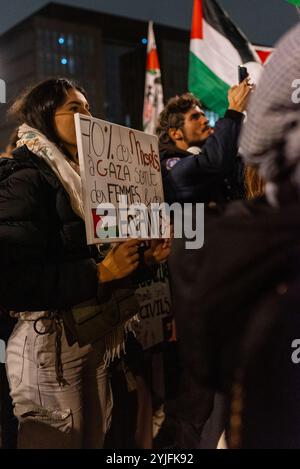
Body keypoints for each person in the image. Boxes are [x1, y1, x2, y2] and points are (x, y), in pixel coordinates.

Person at [0, 78, 170, 449]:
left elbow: (100, 259)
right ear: (45, 116)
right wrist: (100, 273)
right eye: (74, 108)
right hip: (49, 348)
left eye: (89, 107)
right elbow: (10, 278)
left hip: (90, 337)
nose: (87, 116)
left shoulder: (84, 181)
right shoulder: (25, 180)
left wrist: (143, 261)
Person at [170, 22, 300, 448]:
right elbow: (220, 159)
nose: (205, 123)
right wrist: (232, 114)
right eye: (195, 118)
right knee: (201, 410)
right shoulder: (179, 169)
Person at [156, 80, 252, 206]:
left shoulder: (206, 156)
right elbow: (214, 161)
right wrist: (235, 108)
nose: (205, 120)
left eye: (203, 115)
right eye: (195, 117)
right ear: (175, 134)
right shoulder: (169, 168)